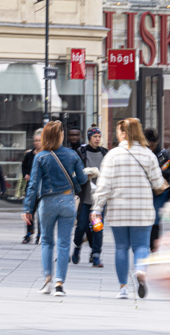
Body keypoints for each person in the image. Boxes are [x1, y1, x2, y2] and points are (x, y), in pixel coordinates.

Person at [93, 119, 164, 299]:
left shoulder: (113, 155)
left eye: (118, 131)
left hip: (118, 210)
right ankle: (141, 271)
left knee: (121, 247)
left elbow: (104, 186)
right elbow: (158, 183)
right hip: (142, 210)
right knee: (141, 246)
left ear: (124, 133)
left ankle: (123, 288)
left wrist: (97, 208)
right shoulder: (148, 154)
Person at [22, 120, 86, 297]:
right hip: (67, 200)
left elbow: (33, 185)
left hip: (47, 202)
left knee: (47, 242)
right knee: (64, 243)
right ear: (60, 136)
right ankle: (60, 283)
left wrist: (27, 208)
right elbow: (82, 179)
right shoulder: (72, 154)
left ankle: (47, 280)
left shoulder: (40, 156)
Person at [73, 126, 108, 267]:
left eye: (99, 136)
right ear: (89, 138)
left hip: (99, 199)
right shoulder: (81, 152)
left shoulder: (104, 153)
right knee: (81, 226)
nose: (97, 139)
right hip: (86, 197)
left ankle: (96, 255)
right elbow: (75, 172)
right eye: (95, 137)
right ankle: (76, 248)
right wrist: (84, 175)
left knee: (97, 227)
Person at [144, 128, 170, 252]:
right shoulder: (141, 153)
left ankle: (153, 248)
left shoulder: (163, 154)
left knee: (155, 219)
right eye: (148, 145)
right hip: (146, 189)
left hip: (160, 191)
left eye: (153, 146)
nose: (151, 148)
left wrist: (161, 172)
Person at [21, 129, 43, 244]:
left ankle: (40, 234)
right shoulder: (29, 155)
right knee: (29, 210)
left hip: (42, 188)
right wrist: (26, 175)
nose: (37, 143)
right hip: (31, 187)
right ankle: (29, 232)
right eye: (35, 140)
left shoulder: (46, 154)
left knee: (41, 213)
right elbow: (24, 167)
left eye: (39, 140)